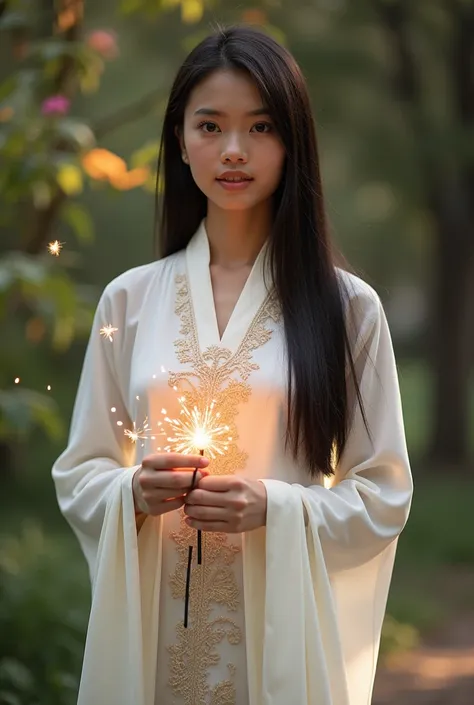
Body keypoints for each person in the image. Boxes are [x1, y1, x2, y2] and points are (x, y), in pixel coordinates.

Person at [52, 24, 413, 705]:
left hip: (280, 641)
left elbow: (383, 493)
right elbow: (81, 472)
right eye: (210, 126)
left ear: (293, 142)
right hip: (155, 643)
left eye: (262, 126)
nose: (235, 151)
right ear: (180, 142)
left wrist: (273, 506)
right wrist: (132, 491)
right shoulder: (128, 300)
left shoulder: (348, 309)